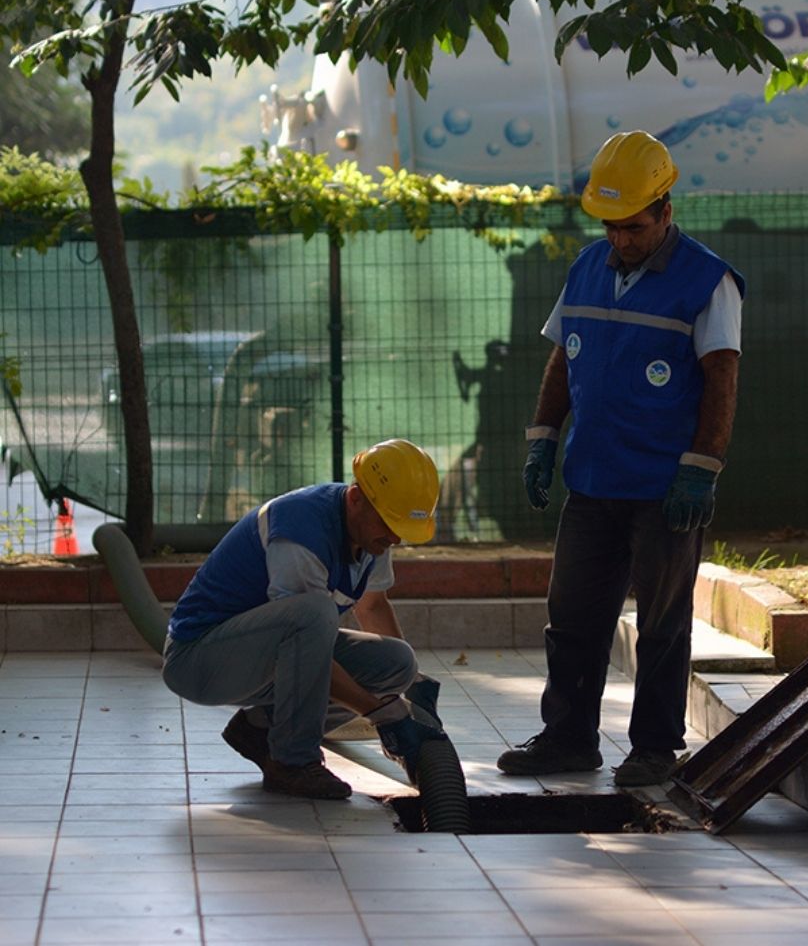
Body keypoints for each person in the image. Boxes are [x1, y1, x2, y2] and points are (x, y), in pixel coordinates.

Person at [497, 130, 745, 787]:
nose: (622, 240)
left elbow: (722, 378)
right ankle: (567, 739)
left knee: (662, 624)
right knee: (572, 617)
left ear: (666, 209)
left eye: (633, 227)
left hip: (666, 488)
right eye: (612, 228)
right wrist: (543, 437)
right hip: (593, 481)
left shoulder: (708, 282)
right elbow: (562, 356)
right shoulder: (587, 268)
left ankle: (656, 748)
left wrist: (702, 465)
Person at [162, 438, 447, 800]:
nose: (394, 537)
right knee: (315, 614)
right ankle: (293, 762)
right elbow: (309, 639)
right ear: (357, 497)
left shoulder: (371, 535)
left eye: (401, 528)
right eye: (389, 523)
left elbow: (372, 606)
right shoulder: (300, 532)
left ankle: (261, 729)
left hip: (259, 657)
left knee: (397, 663)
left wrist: (411, 687)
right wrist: (382, 713)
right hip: (200, 662)